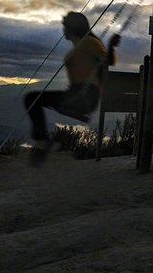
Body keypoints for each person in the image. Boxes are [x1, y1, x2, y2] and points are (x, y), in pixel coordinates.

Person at [24, 12, 120, 167]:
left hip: (85, 96)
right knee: (31, 98)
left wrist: (111, 47)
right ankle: (42, 142)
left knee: (31, 99)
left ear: (72, 28)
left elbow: (108, 61)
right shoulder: (81, 46)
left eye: (65, 26)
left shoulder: (89, 43)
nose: (63, 30)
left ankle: (42, 142)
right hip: (75, 93)